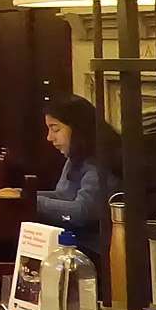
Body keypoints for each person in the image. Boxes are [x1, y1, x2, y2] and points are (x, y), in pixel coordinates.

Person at [38, 94, 120, 256]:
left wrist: (33, 201)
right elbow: (64, 195)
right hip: (76, 243)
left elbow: (81, 213)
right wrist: (22, 195)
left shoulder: (102, 160)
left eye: (55, 129)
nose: (49, 137)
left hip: (97, 252)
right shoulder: (76, 155)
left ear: (78, 128)